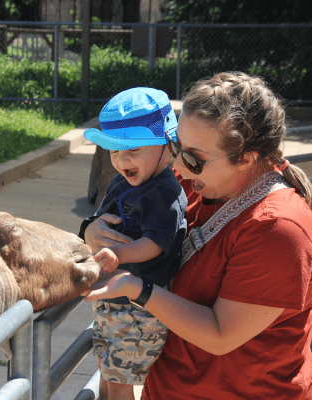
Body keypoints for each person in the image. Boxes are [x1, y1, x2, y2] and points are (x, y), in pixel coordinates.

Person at [81, 72, 312, 400]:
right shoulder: (195, 183)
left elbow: (220, 334)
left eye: (194, 157)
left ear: (246, 159)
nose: (178, 164)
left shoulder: (279, 230)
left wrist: (138, 289)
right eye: (177, 146)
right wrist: (93, 230)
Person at [81, 87, 187, 400]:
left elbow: (157, 242)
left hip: (139, 308)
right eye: (114, 151)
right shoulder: (123, 180)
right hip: (115, 300)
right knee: (107, 369)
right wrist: (91, 230)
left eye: (133, 149)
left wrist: (119, 253)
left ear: (167, 144)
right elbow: (100, 222)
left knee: (119, 382)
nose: (122, 159)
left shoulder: (163, 192)